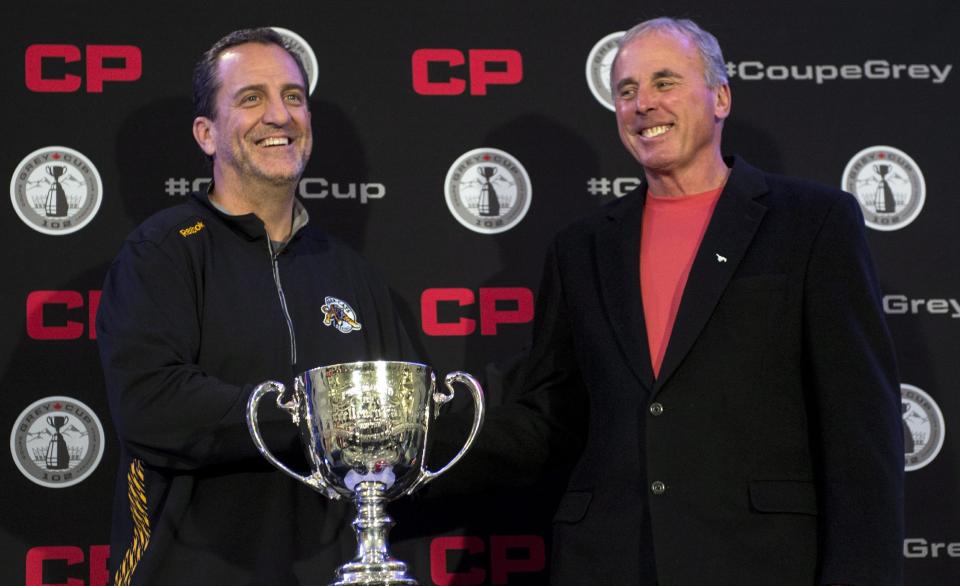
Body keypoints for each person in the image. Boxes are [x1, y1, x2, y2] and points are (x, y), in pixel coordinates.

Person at [433, 17, 903, 586]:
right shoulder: (582, 249)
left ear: (721, 96)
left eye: (664, 82)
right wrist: (406, 454)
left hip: (762, 562)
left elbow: (861, 429)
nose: (643, 105)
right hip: (609, 563)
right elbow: (549, 419)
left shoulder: (812, 222)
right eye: (626, 91)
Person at [96, 28, 411, 585]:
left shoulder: (352, 272)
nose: (279, 116)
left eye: (293, 97)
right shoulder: (164, 250)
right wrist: (310, 413)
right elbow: (150, 404)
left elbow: (409, 423)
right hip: (189, 570)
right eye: (251, 98)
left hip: (331, 571)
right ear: (206, 134)